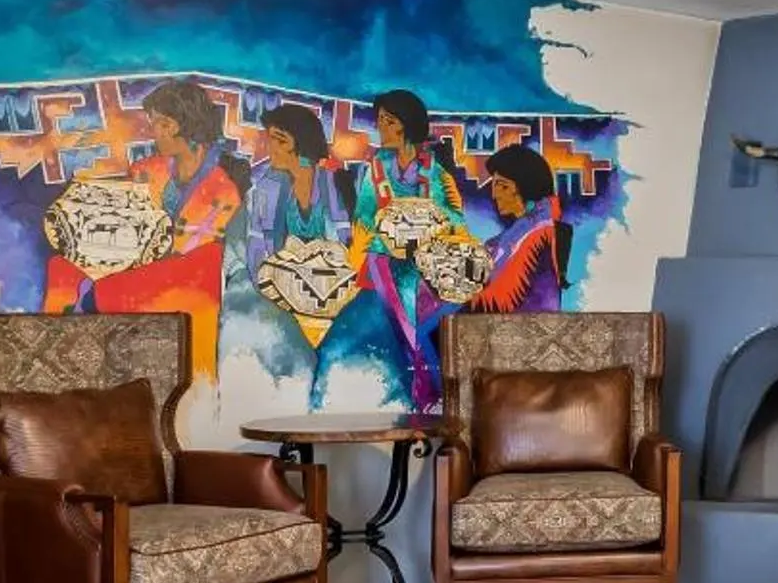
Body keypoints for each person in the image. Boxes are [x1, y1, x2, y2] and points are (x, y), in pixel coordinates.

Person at [45, 77, 246, 376]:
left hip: (193, 275)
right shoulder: (146, 170)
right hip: (137, 265)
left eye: (157, 124)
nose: (153, 133)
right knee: (60, 267)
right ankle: (57, 358)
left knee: (201, 262)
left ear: (175, 125)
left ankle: (95, 298)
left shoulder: (230, 180)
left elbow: (214, 248)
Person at [350, 88, 466, 406]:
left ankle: (432, 396)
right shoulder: (374, 170)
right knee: (394, 328)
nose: (381, 128)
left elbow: (455, 218)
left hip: (426, 267)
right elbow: (363, 217)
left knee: (430, 330)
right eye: (379, 121)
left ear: (406, 125)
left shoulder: (436, 173)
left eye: (388, 121)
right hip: (383, 262)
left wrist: (425, 226)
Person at [242, 101, 348, 287]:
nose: (271, 147)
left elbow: (347, 244)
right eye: (270, 138)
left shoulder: (333, 184)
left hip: (330, 285)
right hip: (280, 287)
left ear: (303, 144)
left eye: (281, 140)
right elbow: (256, 248)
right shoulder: (266, 187)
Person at [468, 142, 569, 312]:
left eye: (503, 186)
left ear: (525, 188)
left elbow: (502, 298)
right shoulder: (507, 238)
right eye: (494, 185)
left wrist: (460, 296)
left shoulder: (539, 233)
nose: (494, 194)